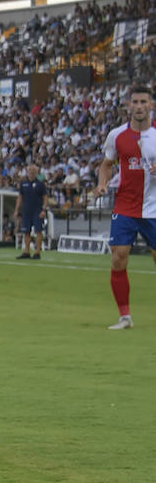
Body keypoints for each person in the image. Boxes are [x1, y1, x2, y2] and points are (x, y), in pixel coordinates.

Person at [93, 85, 156, 329]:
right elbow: (106, 164)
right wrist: (102, 184)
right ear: (128, 105)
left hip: (153, 208)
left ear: (151, 105)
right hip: (125, 206)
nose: (139, 106)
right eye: (135, 102)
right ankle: (125, 317)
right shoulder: (117, 135)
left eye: (144, 102)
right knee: (119, 258)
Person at [14, 164, 48, 260]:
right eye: (30, 171)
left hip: (37, 210)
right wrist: (17, 210)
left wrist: (44, 209)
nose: (32, 173)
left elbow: (45, 198)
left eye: (33, 171)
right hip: (27, 210)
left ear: (36, 173)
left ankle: (37, 252)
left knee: (38, 231)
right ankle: (27, 251)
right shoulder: (24, 184)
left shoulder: (40, 184)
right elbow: (20, 198)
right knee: (26, 231)